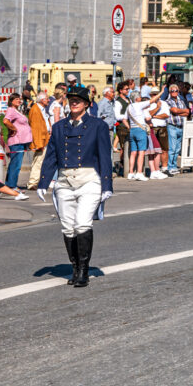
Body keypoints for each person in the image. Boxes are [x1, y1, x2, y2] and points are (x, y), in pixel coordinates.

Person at [37, 85, 113, 288]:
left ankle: (84, 271)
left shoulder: (98, 126)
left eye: (78, 100)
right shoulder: (59, 127)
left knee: (82, 224)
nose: (74, 102)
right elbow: (51, 155)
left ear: (87, 104)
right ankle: (75, 267)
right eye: (71, 100)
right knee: (68, 227)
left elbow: (105, 156)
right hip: (64, 181)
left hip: (89, 180)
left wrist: (107, 185)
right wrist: (43, 182)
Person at [0, 93, 32, 190]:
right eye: (17, 99)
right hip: (17, 141)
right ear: (12, 101)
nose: (19, 100)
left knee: (14, 164)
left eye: (19, 99)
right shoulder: (11, 110)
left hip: (21, 141)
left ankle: (10, 184)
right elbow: (5, 121)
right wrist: (13, 128)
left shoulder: (16, 111)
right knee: (16, 165)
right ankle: (12, 185)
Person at [26, 92, 51, 191]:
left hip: (45, 138)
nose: (48, 100)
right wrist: (38, 143)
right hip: (40, 140)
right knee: (38, 162)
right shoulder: (36, 109)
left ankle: (36, 181)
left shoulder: (41, 109)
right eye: (47, 99)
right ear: (42, 100)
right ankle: (33, 183)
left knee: (40, 162)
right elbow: (35, 128)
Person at [126, 93, 152, 180]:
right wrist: (161, 92)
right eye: (140, 97)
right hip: (140, 129)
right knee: (141, 152)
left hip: (132, 130)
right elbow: (151, 100)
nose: (141, 98)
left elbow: (124, 119)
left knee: (133, 152)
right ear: (137, 98)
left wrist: (129, 127)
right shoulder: (139, 105)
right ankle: (139, 172)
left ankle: (130, 173)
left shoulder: (129, 107)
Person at [165, 83, 189, 173]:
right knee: (172, 148)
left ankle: (174, 166)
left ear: (178, 92)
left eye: (176, 90)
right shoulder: (167, 102)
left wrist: (178, 112)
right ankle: (170, 166)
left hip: (180, 126)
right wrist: (181, 111)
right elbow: (174, 110)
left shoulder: (181, 101)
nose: (174, 92)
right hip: (172, 126)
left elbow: (187, 112)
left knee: (178, 149)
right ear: (170, 92)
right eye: (172, 91)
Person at [148, 94, 171, 178]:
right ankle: (154, 170)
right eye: (154, 94)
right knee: (153, 150)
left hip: (162, 126)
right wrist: (157, 108)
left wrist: (154, 116)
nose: (156, 96)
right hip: (153, 127)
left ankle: (164, 168)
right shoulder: (148, 103)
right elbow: (148, 114)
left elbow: (166, 115)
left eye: (157, 94)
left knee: (164, 149)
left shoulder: (164, 103)